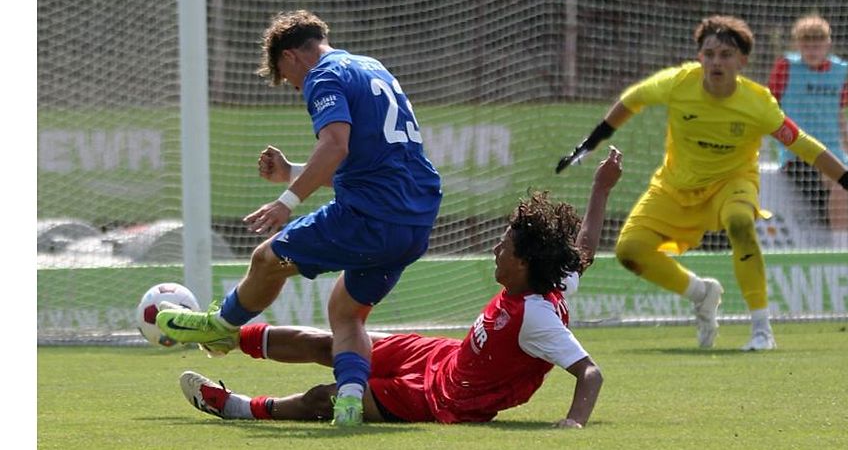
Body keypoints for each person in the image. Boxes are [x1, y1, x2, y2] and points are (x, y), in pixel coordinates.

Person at [177, 147, 623, 427]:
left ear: (523, 263)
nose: (494, 248)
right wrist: (601, 188)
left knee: (324, 398)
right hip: (444, 356)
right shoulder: (550, 279)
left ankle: (237, 407)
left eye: (503, 246)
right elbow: (582, 250)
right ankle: (227, 336)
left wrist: (573, 425)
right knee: (332, 346)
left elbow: (590, 372)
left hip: (444, 399)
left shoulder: (539, 316)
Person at [157, 10, 443, 426]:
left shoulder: (322, 76)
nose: (296, 88)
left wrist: (287, 199)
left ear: (291, 56)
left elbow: (336, 144)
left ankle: (222, 325)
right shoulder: (370, 67)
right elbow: (367, 167)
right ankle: (348, 401)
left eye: (288, 81)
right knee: (345, 312)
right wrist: (291, 172)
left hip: (370, 219)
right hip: (414, 222)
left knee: (267, 259)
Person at [555, 15, 848, 351]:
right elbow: (631, 101)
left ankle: (761, 328)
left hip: (732, 182)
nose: (715, 62)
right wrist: (590, 143)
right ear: (699, 57)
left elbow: (805, 146)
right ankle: (701, 293)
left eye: (725, 55)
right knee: (629, 252)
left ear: (742, 61)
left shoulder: (758, 103)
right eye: (708, 54)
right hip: (675, 187)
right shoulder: (679, 83)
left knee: (740, 222)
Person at [768, 15, 848, 249]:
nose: (811, 49)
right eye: (805, 43)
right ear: (797, 44)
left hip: (833, 156)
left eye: (817, 43)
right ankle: (839, 249)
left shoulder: (839, 71)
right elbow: (767, 109)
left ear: (828, 44)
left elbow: (840, 116)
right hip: (799, 157)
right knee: (837, 183)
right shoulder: (786, 67)